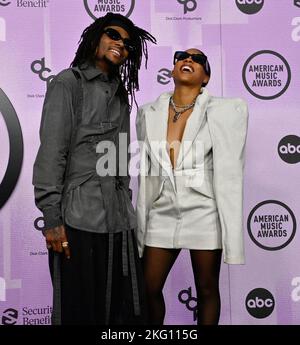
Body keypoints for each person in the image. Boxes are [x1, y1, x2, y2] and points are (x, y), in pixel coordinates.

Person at [32, 12, 156, 325]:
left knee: (124, 313)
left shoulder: (120, 94)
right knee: (79, 312)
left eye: (127, 44)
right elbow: (52, 154)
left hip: (118, 221)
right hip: (78, 219)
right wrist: (51, 219)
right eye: (113, 35)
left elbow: (118, 158)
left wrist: (124, 200)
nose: (120, 45)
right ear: (96, 36)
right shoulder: (67, 83)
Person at [136, 48, 248, 325]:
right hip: (161, 210)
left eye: (198, 59)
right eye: (182, 56)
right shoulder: (147, 113)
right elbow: (148, 171)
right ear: (173, 70)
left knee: (207, 288)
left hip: (204, 210)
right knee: (147, 287)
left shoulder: (225, 111)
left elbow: (230, 169)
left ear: (206, 77)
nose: (189, 60)